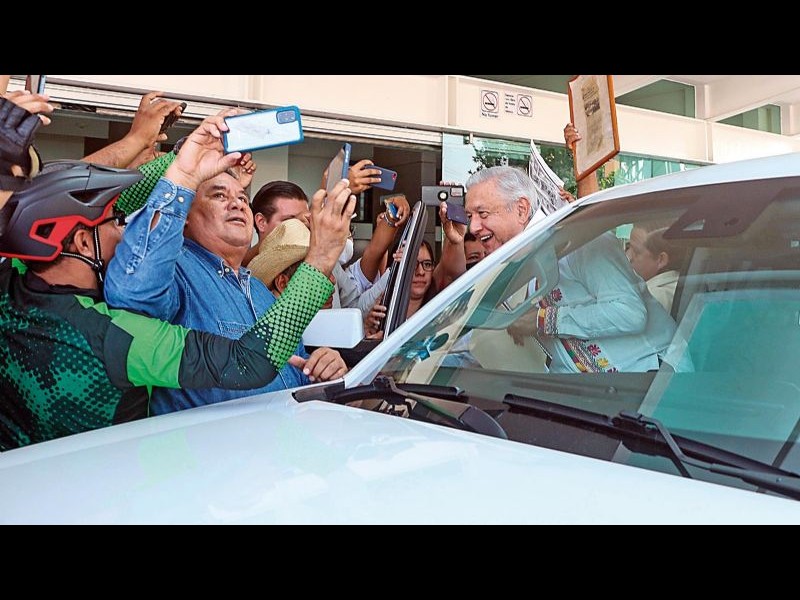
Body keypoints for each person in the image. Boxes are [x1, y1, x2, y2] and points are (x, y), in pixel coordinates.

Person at [0, 113, 352, 450]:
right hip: (195, 479)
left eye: (242, 198)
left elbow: (290, 366)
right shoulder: (119, 326)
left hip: (280, 459)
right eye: (118, 223)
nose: (126, 233)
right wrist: (320, 259)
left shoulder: (10, 288)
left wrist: (318, 369)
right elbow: (246, 362)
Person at [104, 114, 353, 415]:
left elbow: (290, 374)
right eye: (219, 195)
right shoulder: (177, 272)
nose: (236, 203)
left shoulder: (260, 291)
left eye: (243, 198)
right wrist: (184, 171)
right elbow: (133, 294)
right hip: (210, 444)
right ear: (185, 218)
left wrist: (322, 370)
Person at [462, 162, 675, 374]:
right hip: (588, 387)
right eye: (470, 216)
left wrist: (542, 321)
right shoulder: (517, 262)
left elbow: (629, 314)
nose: (473, 227)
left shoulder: (581, 242)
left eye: (483, 213)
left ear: (521, 209)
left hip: (656, 378)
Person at [245, 179, 410, 315]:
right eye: (290, 220)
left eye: (306, 219)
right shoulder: (250, 295)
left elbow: (354, 309)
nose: (328, 282)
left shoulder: (330, 262)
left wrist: (398, 270)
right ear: (282, 283)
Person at [364, 240, 439, 337]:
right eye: (412, 264)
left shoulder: (440, 313)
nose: (420, 272)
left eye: (427, 264)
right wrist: (367, 331)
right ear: (396, 270)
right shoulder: (380, 314)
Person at [626, 221, 687, 314]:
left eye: (636, 252)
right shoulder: (683, 286)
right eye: (627, 248)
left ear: (661, 260)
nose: (628, 256)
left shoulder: (651, 298)